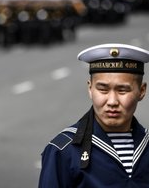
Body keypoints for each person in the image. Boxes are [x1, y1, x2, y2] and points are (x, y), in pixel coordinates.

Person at [38, 43, 149, 188]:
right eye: (103, 90)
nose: (112, 101)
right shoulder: (63, 150)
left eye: (122, 90)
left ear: (141, 91)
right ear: (90, 89)